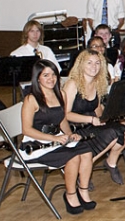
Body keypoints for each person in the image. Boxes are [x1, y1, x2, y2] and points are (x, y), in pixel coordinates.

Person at [19, 60, 97, 214]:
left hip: (57, 139)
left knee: (87, 151)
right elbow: (26, 130)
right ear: (37, 78)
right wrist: (54, 139)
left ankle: (83, 190)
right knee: (73, 157)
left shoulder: (60, 94)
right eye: (46, 75)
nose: (51, 78)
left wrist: (69, 134)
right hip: (35, 144)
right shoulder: (31, 99)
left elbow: (62, 119)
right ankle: (70, 194)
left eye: (53, 74)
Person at [62, 50, 125, 185]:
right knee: (113, 133)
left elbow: (97, 109)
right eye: (90, 63)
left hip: (91, 123)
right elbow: (65, 114)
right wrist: (91, 120)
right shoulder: (73, 84)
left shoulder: (97, 84)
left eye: (97, 63)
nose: (94, 66)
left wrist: (111, 115)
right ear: (81, 65)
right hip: (76, 127)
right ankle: (84, 168)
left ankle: (109, 163)